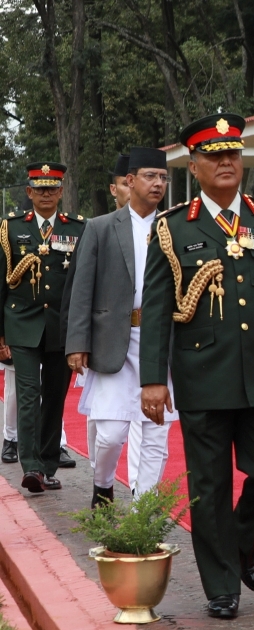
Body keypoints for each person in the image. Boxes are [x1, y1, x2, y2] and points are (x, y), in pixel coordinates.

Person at [139, 114, 254, 619]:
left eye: (233, 154)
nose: (226, 162)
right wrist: (153, 379)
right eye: (214, 156)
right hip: (203, 375)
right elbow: (156, 310)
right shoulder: (174, 227)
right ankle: (222, 586)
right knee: (210, 485)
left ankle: (240, 537)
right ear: (193, 166)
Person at [65, 147, 177, 508]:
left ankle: (144, 506)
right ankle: (103, 485)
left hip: (160, 340)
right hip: (115, 340)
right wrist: (77, 342)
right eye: (150, 176)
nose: (158, 184)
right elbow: (82, 290)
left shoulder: (173, 226)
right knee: (111, 434)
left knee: (157, 432)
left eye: (163, 178)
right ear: (129, 181)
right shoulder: (99, 228)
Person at [0, 162, 86, 493]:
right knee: (27, 394)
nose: (46, 193)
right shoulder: (10, 228)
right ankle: (31, 466)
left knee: (54, 395)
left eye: (53, 188)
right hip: (21, 322)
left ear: (61, 191)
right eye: (40, 188)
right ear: (29, 192)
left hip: (61, 326)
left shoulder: (79, 228)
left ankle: (49, 464)